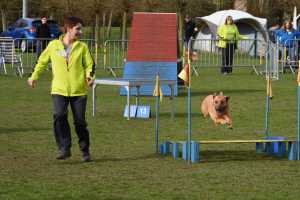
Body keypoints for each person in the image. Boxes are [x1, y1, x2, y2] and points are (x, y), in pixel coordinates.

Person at [28, 16, 95, 162]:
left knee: (80, 122)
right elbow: (41, 62)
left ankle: (85, 150)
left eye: (80, 29)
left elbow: (90, 65)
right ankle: (64, 148)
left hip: (79, 91)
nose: (80, 31)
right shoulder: (53, 45)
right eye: (78, 28)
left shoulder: (82, 47)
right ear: (69, 29)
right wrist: (33, 76)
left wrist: (89, 76)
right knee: (59, 115)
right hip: (59, 89)